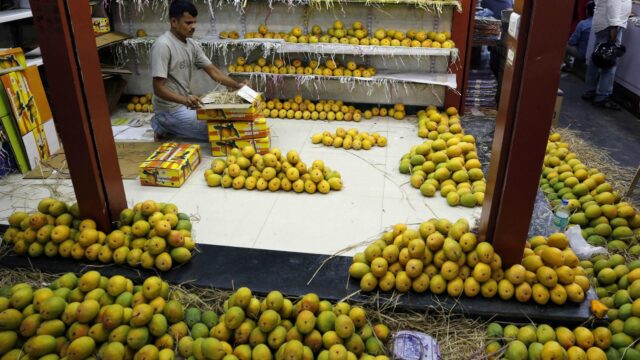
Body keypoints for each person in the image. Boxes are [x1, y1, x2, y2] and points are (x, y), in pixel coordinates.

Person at [151, 0, 247, 141]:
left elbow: (214, 71)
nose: (193, 27)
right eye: (188, 23)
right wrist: (184, 99)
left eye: (194, 22)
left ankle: (169, 125)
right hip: (170, 109)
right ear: (174, 22)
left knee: (229, 120)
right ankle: (161, 122)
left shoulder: (191, 44)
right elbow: (158, 88)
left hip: (186, 105)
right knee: (221, 132)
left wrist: (238, 86)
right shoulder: (163, 46)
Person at [582, 0, 632, 110]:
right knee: (609, 60)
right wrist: (614, 27)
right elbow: (613, 4)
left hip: (604, 22)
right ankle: (602, 97)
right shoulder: (612, 25)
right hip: (610, 25)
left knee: (597, 56)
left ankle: (590, 91)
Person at [564, 2, 595, 70]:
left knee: (564, 45)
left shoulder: (583, 24)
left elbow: (572, 41)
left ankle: (568, 66)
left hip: (582, 53)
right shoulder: (599, 24)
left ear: (587, 11)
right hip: (593, 54)